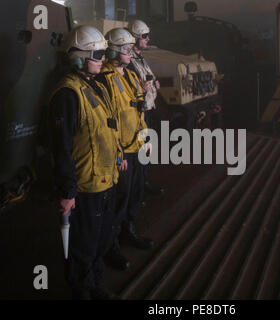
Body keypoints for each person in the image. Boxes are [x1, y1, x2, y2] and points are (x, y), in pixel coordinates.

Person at [49, 25, 121, 300]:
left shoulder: (94, 85)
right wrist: (67, 192)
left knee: (100, 241)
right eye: (97, 53)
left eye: (103, 52)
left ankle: (94, 284)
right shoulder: (67, 95)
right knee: (83, 247)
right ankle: (81, 291)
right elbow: (61, 148)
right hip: (86, 187)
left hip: (106, 179)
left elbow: (107, 128)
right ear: (78, 58)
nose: (103, 58)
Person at [97, 28, 154, 271]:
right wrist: (118, 153)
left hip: (138, 146)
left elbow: (138, 110)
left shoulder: (130, 75)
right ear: (114, 50)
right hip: (122, 154)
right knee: (117, 202)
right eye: (127, 48)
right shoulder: (104, 79)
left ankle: (127, 232)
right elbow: (108, 120)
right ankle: (110, 247)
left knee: (134, 196)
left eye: (132, 48)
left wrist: (146, 138)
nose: (131, 52)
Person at [127, 20, 164, 198]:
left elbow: (148, 78)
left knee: (147, 150)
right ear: (134, 38)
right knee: (140, 152)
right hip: (137, 114)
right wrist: (143, 89)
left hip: (146, 110)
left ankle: (143, 184)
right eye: (144, 36)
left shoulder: (139, 58)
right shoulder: (129, 61)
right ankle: (137, 190)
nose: (148, 39)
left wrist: (154, 84)